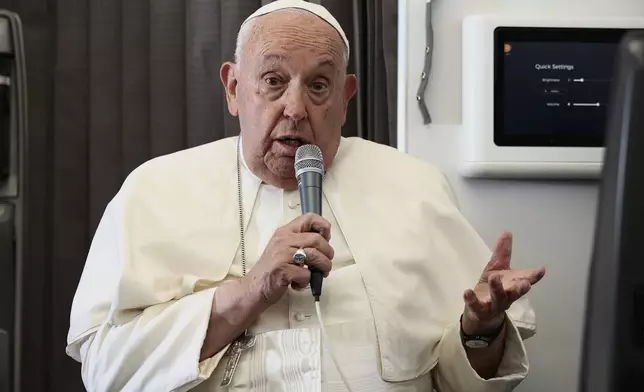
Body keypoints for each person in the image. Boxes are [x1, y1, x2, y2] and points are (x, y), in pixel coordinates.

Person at [66, 1, 546, 391]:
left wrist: (479, 331)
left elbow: (455, 380)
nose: (294, 109)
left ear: (345, 97)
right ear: (234, 89)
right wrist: (248, 293)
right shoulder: (154, 189)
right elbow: (106, 369)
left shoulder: (414, 186)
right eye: (273, 81)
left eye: (318, 85)